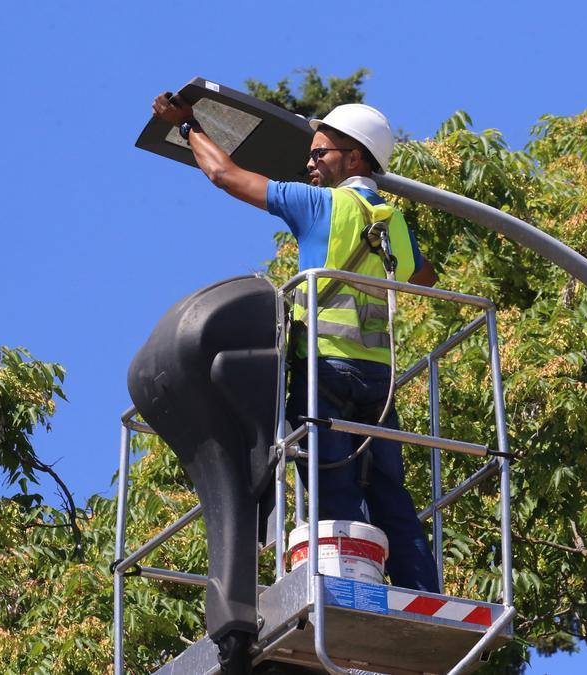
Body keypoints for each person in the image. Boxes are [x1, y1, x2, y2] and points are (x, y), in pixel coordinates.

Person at [152, 93, 441, 593]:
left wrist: (187, 127)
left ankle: (355, 591)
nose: (309, 162)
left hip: (326, 370)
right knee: (393, 494)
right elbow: (425, 276)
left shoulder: (319, 204)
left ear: (353, 158)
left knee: (334, 485)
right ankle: (424, 594)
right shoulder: (391, 221)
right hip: (379, 378)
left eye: (320, 153)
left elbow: (225, 174)